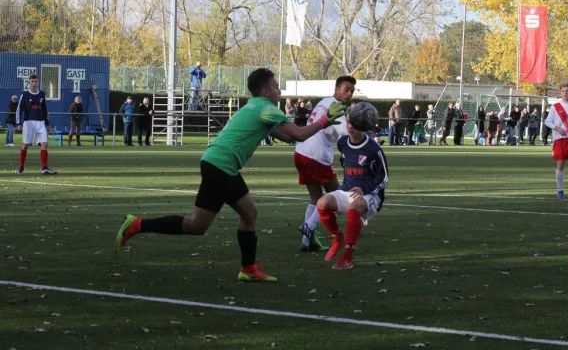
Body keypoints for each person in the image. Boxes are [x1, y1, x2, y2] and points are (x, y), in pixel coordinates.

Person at [115, 68, 347, 282]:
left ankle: (248, 270)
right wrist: (324, 120)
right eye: (276, 86)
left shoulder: (256, 106)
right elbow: (298, 134)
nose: (279, 90)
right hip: (220, 165)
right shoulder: (267, 108)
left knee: (248, 214)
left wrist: (319, 123)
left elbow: (287, 137)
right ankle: (137, 225)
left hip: (221, 164)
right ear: (266, 90)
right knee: (198, 225)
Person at [316, 117, 389, 270]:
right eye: (349, 122)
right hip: (346, 189)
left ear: (363, 125)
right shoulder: (342, 143)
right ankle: (337, 237)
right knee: (322, 203)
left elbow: (383, 178)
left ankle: (347, 256)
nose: (351, 126)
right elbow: (346, 165)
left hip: (370, 194)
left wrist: (365, 189)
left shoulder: (374, 149)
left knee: (354, 208)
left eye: (355, 123)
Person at [295, 76, 356, 251]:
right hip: (316, 155)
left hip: (301, 152)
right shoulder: (336, 106)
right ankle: (309, 226)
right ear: (336, 89)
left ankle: (307, 243)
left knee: (316, 198)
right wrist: (361, 124)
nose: (349, 93)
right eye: (346, 89)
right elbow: (345, 131)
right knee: (337, 193)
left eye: (351, 90)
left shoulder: (324, 101)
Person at [15, 75, 57, 175]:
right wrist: (18, 123)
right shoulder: (24, 95)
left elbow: (45, 109)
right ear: (29, 83)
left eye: (36, 81)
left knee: (44, 144)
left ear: (38, 82)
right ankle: (21, 167)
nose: (34, 83)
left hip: (41, 122)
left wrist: (47, 123)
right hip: (28, 122)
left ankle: (44, 168)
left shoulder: (42, 94)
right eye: (32, 81)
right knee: (25, 145)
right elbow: (19, 110)